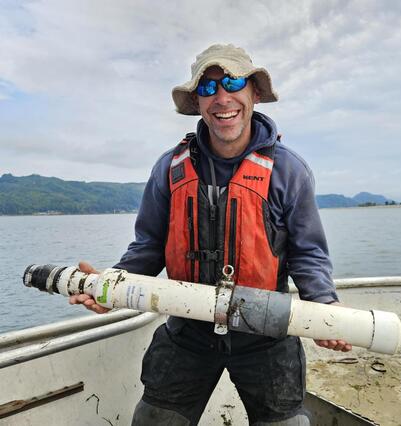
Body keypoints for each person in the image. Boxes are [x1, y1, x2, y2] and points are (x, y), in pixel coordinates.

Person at [70, 44, 352, 426]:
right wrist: (112, 285)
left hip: (266, 335)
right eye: (208, 88)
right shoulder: (169, 168)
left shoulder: (289, 170)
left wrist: (325, 307)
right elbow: (149, 246)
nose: (222, 98)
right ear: (197, 102)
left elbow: (308, 253)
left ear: (254, 92)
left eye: (233, 82)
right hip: (188, 331)